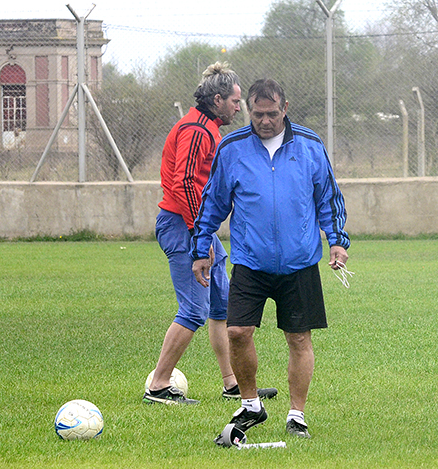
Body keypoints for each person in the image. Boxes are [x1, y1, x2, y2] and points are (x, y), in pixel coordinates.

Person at [191, 78, 350, 440]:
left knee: (298, 339)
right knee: (237, 331)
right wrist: (201, 249)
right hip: (251, 262)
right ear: (249, 109)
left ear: (285, 109)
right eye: (257, 114)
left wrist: (337, 242)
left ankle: (297, 415)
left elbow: (328, 197)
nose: (264, 121)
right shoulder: (232, 148)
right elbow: (212, 201)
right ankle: (251, 405)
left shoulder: (309, 145)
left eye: (272, 114)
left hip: (299, 263)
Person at [143, 63, 278, 405]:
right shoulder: (196, 130)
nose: (239, 107)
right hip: (183, 226)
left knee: (222, 307)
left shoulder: (208, 129)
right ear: (217, 99)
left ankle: (232, 383)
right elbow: (185, 183)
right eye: (235, 100)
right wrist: (199, 237)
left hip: (197, 228)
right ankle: (158, 386)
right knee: (192, 309)